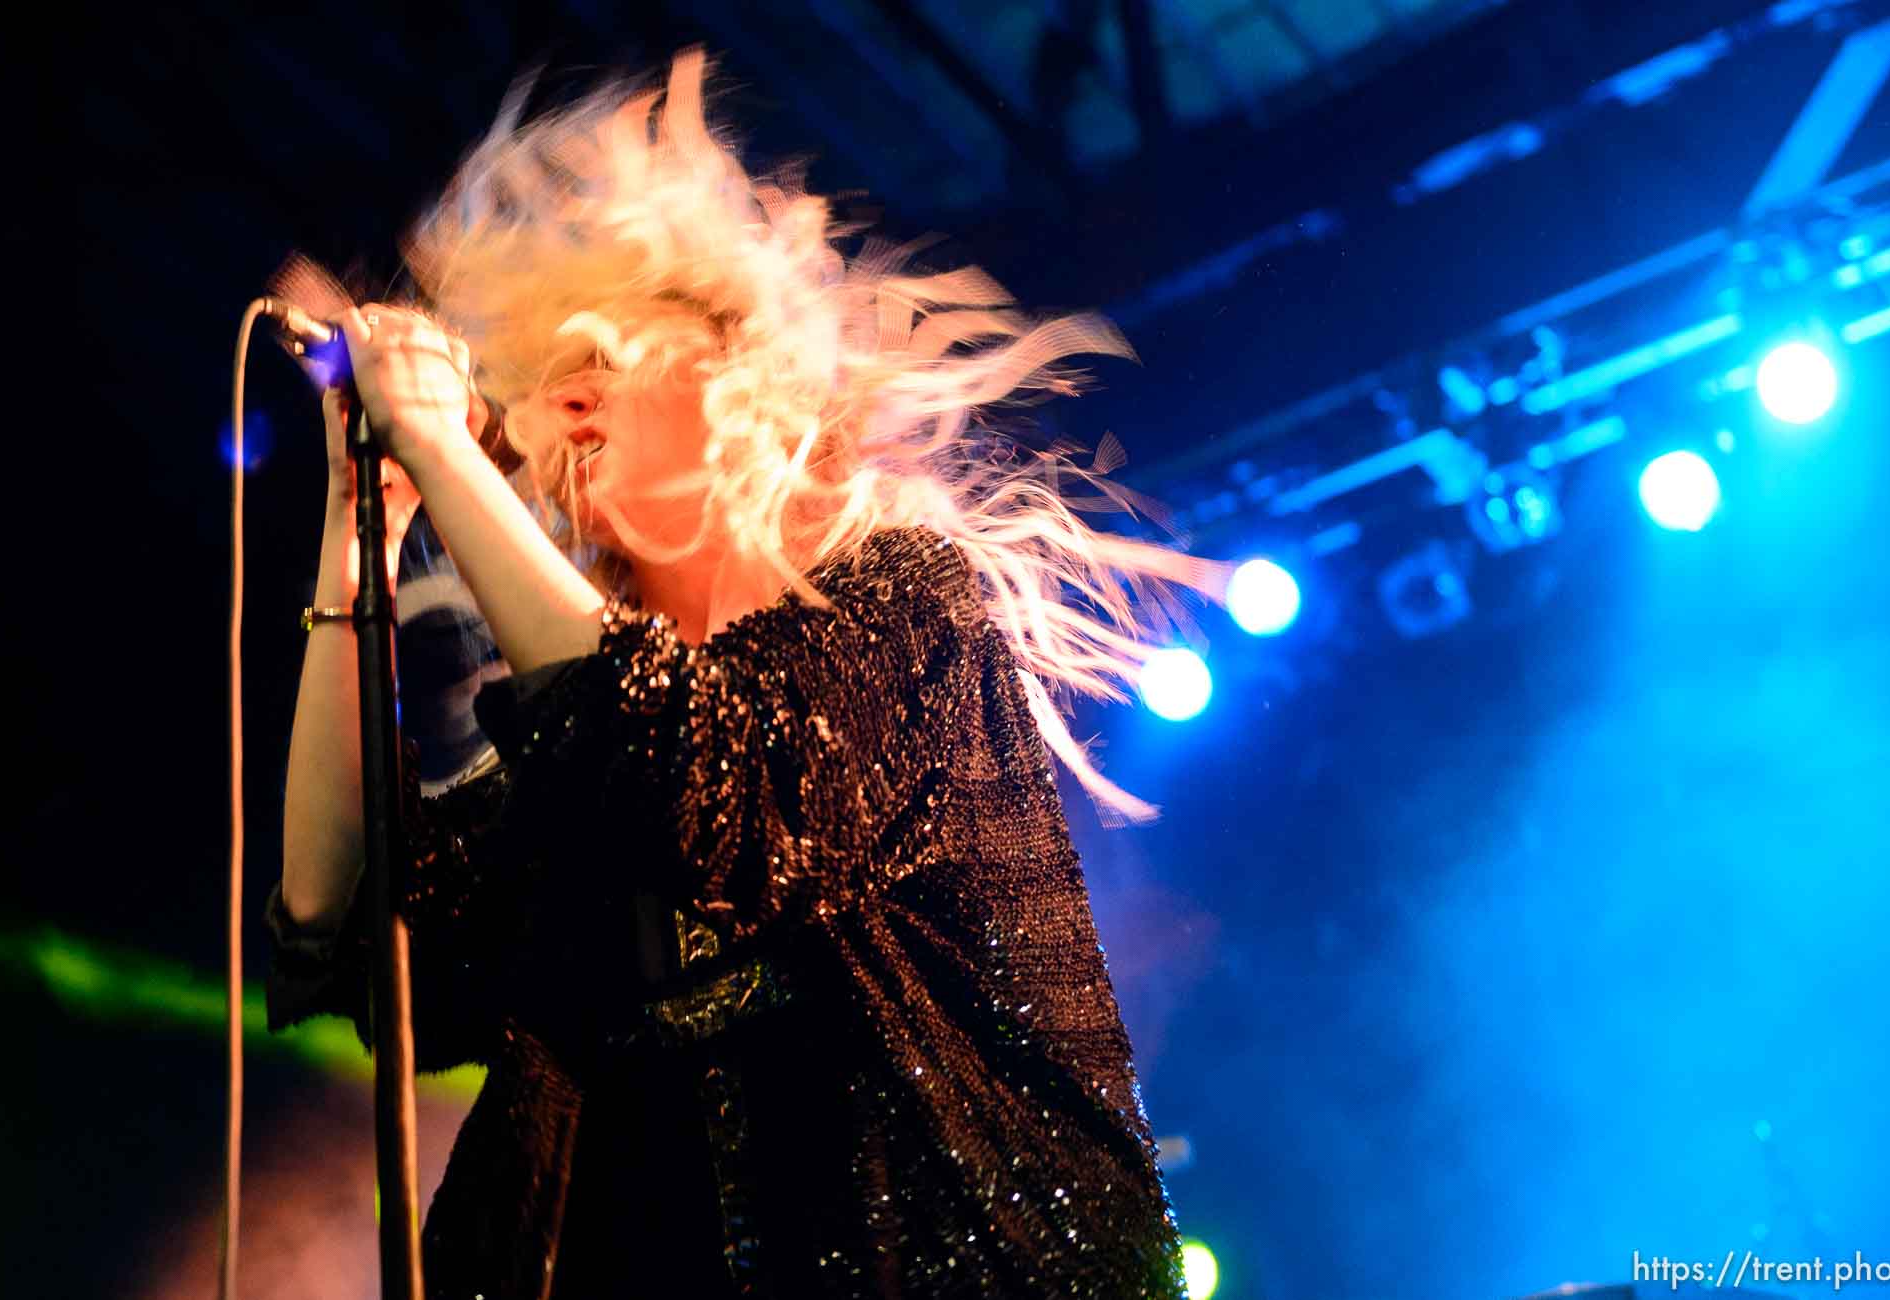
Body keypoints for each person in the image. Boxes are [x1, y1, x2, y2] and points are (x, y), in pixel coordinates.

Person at [268, 46, 1227, 1299]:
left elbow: (709, 781)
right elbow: (352, 927)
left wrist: (446, 445)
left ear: (748, 387)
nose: (568, 399)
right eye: (548, 377)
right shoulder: (578, 762)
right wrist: (362, 529)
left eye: (606, 354)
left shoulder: (907, 603)